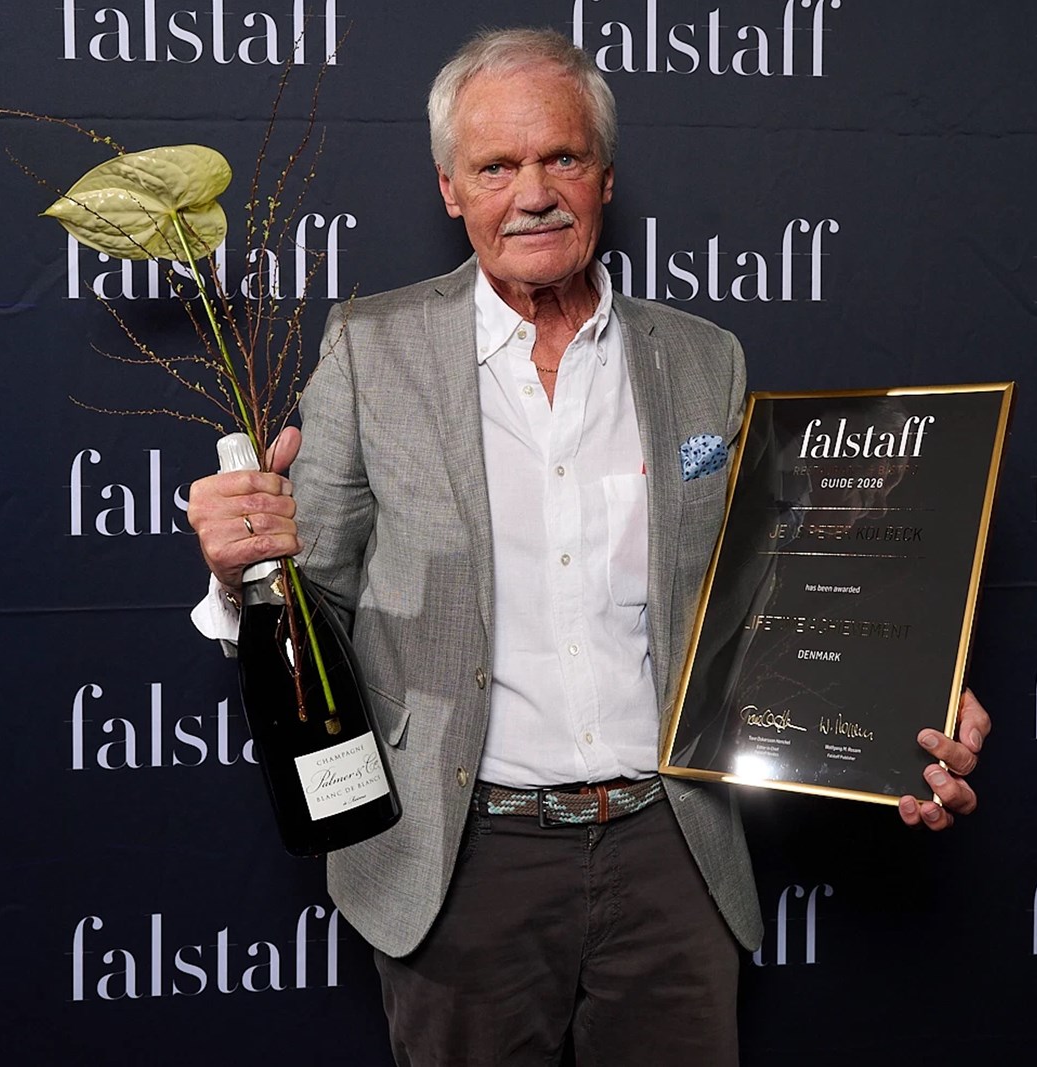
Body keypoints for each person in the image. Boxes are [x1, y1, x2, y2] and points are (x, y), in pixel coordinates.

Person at [188, 27, 991, 1067]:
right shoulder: (369, 347)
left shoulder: (703, 358)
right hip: (460, 859)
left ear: (604, 176)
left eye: (560, 156)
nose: (533, 194)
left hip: (672, 849)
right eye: (496, 166)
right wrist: (243, 574)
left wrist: (902, 703)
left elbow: (759, 609)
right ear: (450, 190)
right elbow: (319, 599)